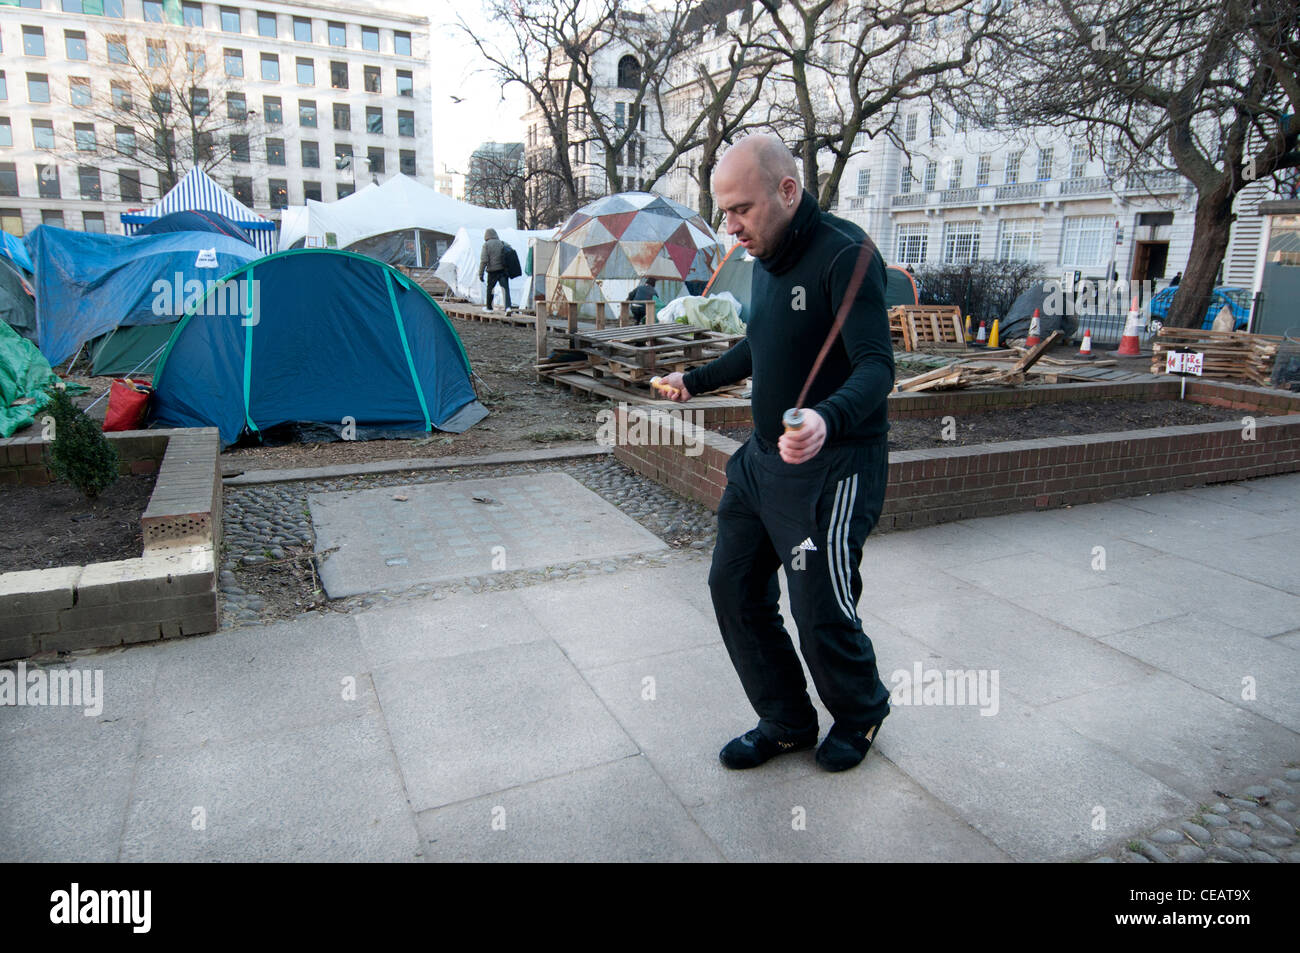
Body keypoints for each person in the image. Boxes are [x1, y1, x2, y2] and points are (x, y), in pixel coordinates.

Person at [659, 134, 895, 773]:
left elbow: (877, 367)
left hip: (835, 465)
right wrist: (696, 378)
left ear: (788, 192)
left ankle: (861, 710)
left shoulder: (845, 256)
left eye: (741, 208)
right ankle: (787, 718)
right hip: (762, 462)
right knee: (733, 588)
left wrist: (825, 416)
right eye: (723, 211)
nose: (730, 227)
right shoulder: (764, 255)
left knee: (819, 603)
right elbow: (759, 344)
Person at [480, 228, 513, 313]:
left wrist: (481, 274)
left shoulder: (486, 245)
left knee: (490, 289)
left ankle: (489, 308)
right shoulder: (502, 243)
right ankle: (508, 307)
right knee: (505, 290)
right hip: (503, 271)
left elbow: (484, 260)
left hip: (492, 272)